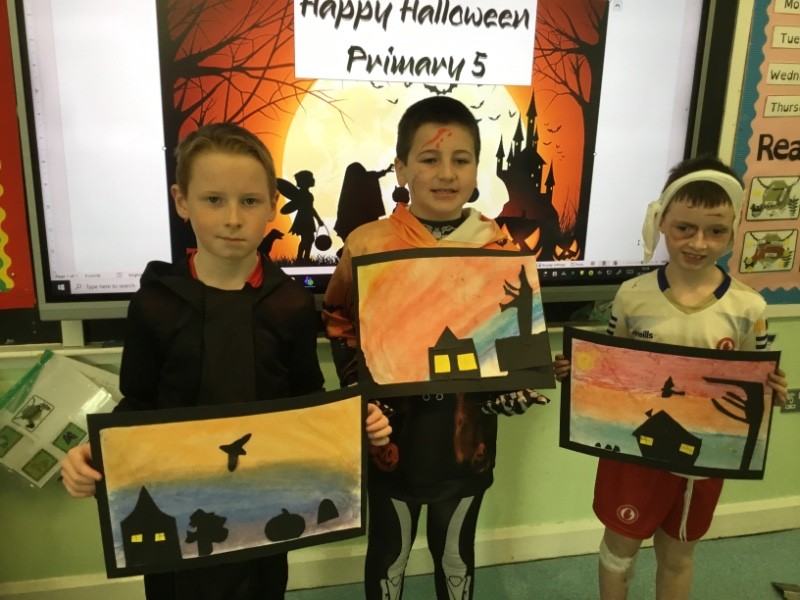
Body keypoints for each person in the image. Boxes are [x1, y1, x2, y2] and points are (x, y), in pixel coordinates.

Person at [60, 122, 391, 600]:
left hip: (263, 509)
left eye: (250, 201)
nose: (233, 218)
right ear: (182, 201)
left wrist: (354, 420)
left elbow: (306, 403)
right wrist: (95, 453)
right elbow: (138, 407)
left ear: (272, 207)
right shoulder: (155, 304)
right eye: (213, 200)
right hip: (178, 508)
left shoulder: (291, 305)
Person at [322, 96, 549, 600]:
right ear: (402, 168)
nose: (446, 173)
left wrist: (512, 387)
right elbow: (339, 321)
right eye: (429, 159)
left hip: (466, 441)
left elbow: (511, 338)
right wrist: (362, 393)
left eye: (460, 159)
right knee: (391, 551)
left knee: (455, 552)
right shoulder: (368, 244)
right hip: (392, 438)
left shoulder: (500, 247)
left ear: (476, 168)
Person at [553, 156, 788, 600]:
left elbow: (755, 381)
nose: (698, 242)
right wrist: (579, 373)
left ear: (732, 232)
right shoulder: (632, 295)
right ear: (661, 222)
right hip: (633, 453)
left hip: (700, 461)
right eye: (684, 228)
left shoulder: (748, 307)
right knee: (618, 551)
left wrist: (771, 392)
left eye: (715, 231)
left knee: (678, 556)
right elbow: (613, 366)